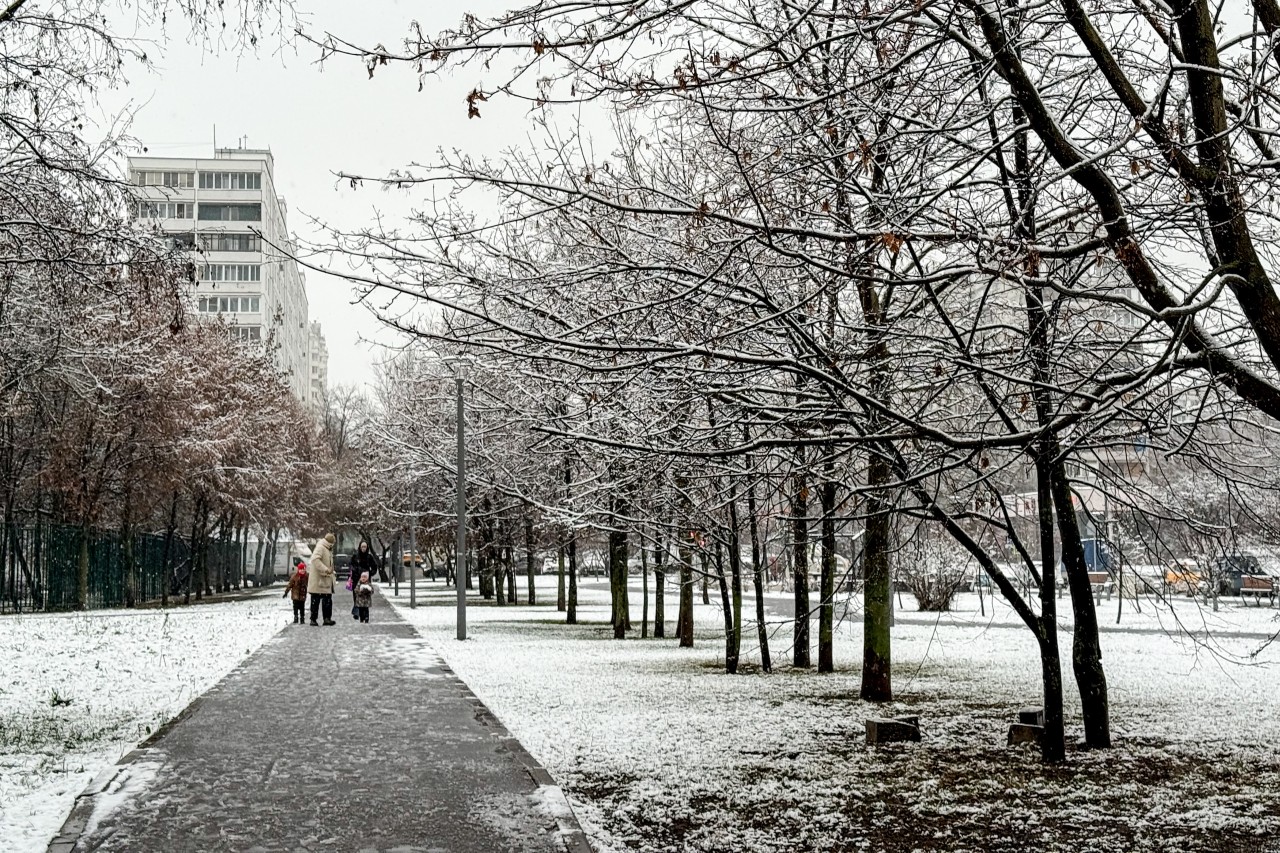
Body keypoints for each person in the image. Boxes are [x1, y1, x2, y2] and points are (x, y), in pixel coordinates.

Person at [307, 532, 337, 626]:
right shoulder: (321, 547)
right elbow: (315, 559)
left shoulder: (327, 549)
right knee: (316, 600)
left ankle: (327, 618)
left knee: (327, 599)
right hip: (319, 580)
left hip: (325, 579)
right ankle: (314, 619)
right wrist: (325, 569)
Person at [350, 540, 378, 618]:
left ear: (367, 547)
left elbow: (374, 567)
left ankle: (364, 612)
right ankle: (357, 611)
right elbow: (351, 566)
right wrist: (356, 572)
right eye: (362, 546)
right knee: (356, 594)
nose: (363, 548)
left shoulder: (369, 557)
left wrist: (370, 573)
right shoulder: (355, 556)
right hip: (356, 579)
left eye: (365, 547)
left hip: (366, 580)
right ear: (359, 547)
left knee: (365, 595)